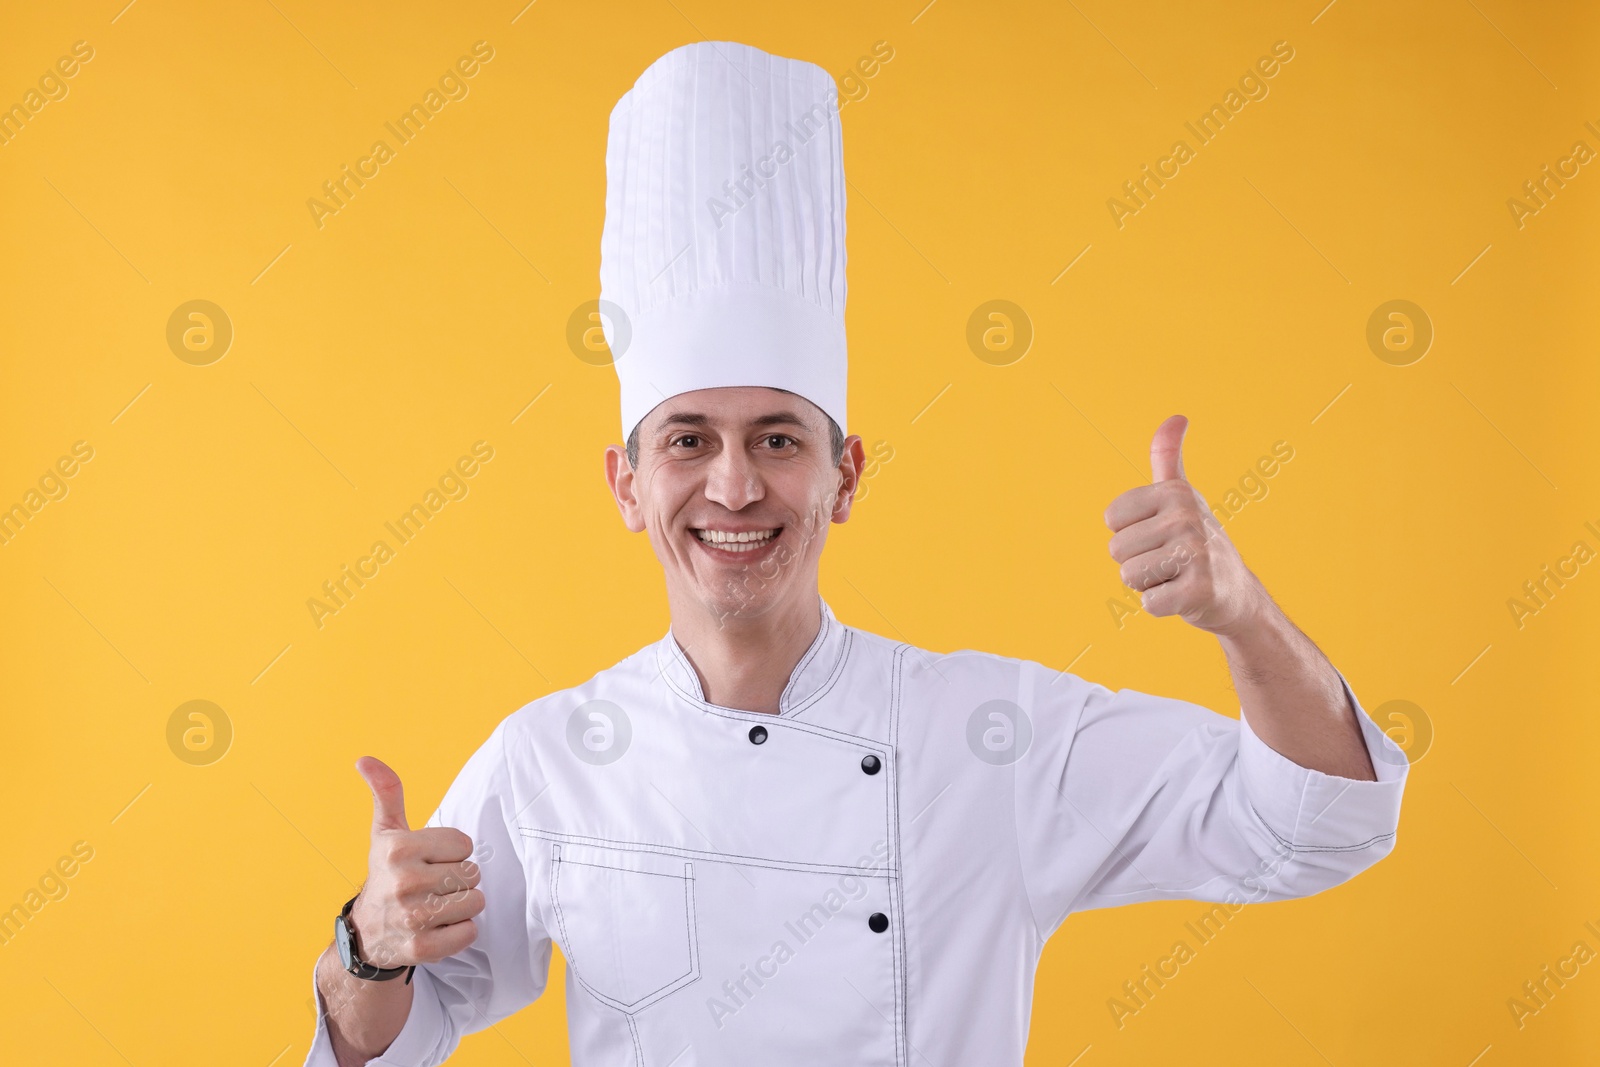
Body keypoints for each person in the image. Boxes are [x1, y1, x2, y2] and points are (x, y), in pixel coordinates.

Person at [304, 40, 1407, 1067]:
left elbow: (1322, 822)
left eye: (777, 439)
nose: (734, 486)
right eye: (689, 440)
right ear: (627, 486)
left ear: (847, 475)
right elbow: (383, 1044)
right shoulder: (549, 756)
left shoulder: (993, 740)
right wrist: (369, 943)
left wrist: (1243, 614)